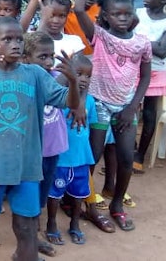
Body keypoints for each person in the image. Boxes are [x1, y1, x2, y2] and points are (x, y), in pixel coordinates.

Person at [0, 17, 80, 261]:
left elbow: (70, 103)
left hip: (26, 166)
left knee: (26, 226)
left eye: (19, 39)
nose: (16, 44)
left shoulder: (34, 74)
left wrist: (74, 82)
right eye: (8, 39)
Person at [74, 0, 152, 231]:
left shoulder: (142, 42)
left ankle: (117, 204)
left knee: (126, 158)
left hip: (126, 107)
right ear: (105, 16)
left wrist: (132, 108)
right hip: (98, 105)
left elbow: (145, 77)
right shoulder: (100, 37)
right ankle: (85, 202)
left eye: (127, 14)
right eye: (116, 14)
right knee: (93, 156)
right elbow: (77, 9)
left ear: (133, 15)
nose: (122, 18)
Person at [21, 31, 70, 255]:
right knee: (27, 196)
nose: (49, 61)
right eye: (42, 57)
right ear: (26, 58)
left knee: (41, 194)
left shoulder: (53, 77)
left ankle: (35, 233)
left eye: (51, 56)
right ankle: (30, 238)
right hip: (32, 151)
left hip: (52, 147)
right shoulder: (24, 80)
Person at [45, 54, 97, 246]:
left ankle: (75, 224)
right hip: (61, 158)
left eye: (88, 76)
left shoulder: (89, 102)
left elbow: (91, 129)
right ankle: (51, 223)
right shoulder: (59, 98)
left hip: (81, 158)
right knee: (54, 194)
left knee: (78, 195)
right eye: (79, 74)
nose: (84, 79)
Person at [133, 0, 166, 174]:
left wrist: (138, 40)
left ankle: (139, 155)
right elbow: (125, 35)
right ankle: (124, 150)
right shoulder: (137, 14)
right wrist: (152, 44)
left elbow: (163, 50)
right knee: (127, 109)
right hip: (131, 68)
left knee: (149, 114)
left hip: (155, 71)